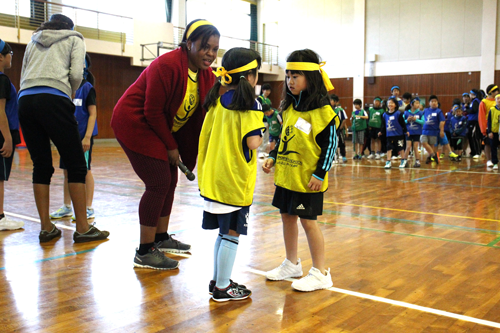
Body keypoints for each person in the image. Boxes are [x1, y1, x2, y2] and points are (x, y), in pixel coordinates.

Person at [111, 19, 220, 270]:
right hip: (136, 123)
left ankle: (160, 238)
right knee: (159, 181)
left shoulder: (206, 75)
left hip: (159, 129)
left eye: (215, 49)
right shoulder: (167, 64)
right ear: (189, 43)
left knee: (170, 179)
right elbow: (152, 111)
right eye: (205, 47)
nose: (211, 54)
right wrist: (171, 146)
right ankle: (144, 251)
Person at [18, 14, 109, 243]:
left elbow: (23, 74)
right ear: (70, 27)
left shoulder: (33, 40)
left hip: (25, 100)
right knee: (76, 164)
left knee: (41, 165)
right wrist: (69, 91)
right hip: (54, 98)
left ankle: (46, 228)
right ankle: (82, 228)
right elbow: (77, 74)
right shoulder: (75, 39)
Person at [263, 49, 339, 292]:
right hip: (287, 176)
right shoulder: (288, 107)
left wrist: (320, 173)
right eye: (288, 76)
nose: (290, 81)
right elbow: (287, 138)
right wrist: (273, 157)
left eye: (296, 76)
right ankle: (292, 263)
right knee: (287, 217)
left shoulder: (324, 112)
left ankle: (321, 272)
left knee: (308, 222)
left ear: (311, 78)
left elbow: (330, 146)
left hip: (308, 180)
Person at [198, 47, 263, 302]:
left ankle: (217, 281)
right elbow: (253, 143)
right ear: (250, 76)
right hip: (233, 180)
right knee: (232, 234)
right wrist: (263, 130)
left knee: (223, 233)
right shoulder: (250, 104)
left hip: (213, 177)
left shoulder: (217, 100)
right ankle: (223, 288)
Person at [50, 53, 97, 221]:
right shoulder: (65, 88)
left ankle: (88, 207)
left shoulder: (87, 88)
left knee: (85, 171)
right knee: (67, 172)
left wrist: (87, 137)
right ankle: (67, 207)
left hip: (82, 137)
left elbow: (92, 114)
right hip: (67, 136)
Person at [0, 40, 23, 231]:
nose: (11, 57)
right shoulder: (2, 80)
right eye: (10, 53)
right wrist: (7, 138)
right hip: (2, 135)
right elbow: (0, 111)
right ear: (1, 56)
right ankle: (0, 217)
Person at [378, 97, 408, 169]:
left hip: (398, 135)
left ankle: (403, 160)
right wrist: (381, 131)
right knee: (389, 148)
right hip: (389, 135)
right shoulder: (385, 115)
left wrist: (406, 131)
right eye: (389, 103)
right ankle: (388, 161)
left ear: (395, 105)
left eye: (392, 103)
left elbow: (402, 123)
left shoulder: (398, 114)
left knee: (400, 148)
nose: (390, 104)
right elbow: (383, 125)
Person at [420, 95, 445, 164]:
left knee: (431, 145)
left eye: (435, 101)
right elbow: (421, 117)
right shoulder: (425, 110)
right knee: (423, 142)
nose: (434, 103)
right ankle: (434, 155)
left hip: (434, 131)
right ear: (429, 103)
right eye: (432, 101)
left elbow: (442, 121)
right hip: (425, 130)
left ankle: (429, 157)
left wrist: (441, 131)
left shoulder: (438, 111)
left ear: (437, 103)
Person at [479, 85, 499, 167]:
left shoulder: (498, 100)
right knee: (487, 143)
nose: (498, 92)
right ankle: (489, 160)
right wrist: (484, 129)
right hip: (489, 126)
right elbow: (482, 116)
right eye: (496, 91)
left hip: (498, 126)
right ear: (491, 92)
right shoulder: (484, 102)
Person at [403, 97, 424, 168]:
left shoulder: (420, 113)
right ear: (412, 104)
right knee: (408, 146)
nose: (418, 104)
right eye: (416, 103)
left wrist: (416, 120)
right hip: (408, 132)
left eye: (419, 103)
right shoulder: (406, 113)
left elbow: (423, 122)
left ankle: (417, 161)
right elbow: (401, 122)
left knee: (415, 147)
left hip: (417, 132)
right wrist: (407, 120)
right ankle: (404, 161)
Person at [329, 94, 347, 163]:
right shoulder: (329, 109)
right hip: (331, 130)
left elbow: (344, 119)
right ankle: (334, 157)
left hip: (338, 130)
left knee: (339, 143)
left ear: (336, 102)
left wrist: (341, 127)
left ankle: (340, 156)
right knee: (332, 144)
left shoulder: (340, 110)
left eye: (331, 100)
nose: (330, 102)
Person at [486, 93, 500, 170]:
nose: (499, 100)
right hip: (494, 131)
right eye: (497, 99)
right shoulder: (492, 109)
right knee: (493, 147)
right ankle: (495, 163)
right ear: (495, 100)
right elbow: (489, 121)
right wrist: (489, 131)